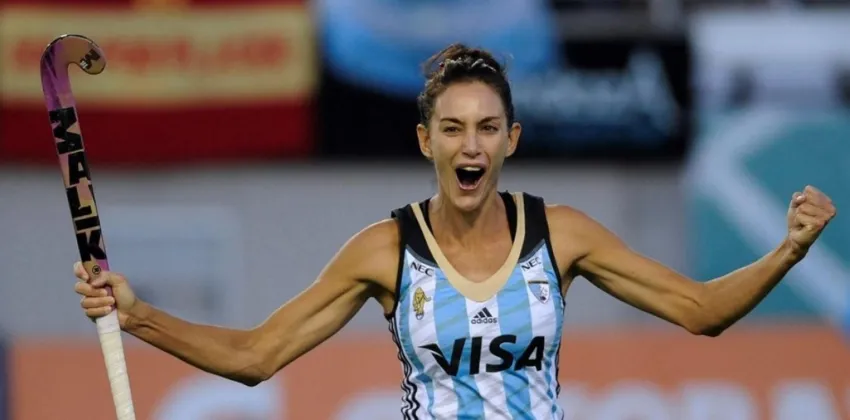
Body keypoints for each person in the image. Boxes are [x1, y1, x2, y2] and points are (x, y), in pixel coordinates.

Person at [73, 43, 837, 419]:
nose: (471, 145)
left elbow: (700, 312)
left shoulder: (561, 234)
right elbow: (255, 356)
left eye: (487, 128)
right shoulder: (384, 251)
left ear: (511, 140)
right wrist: (137, 316)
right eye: (452, 128)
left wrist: (789, 250)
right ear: (425, 142)